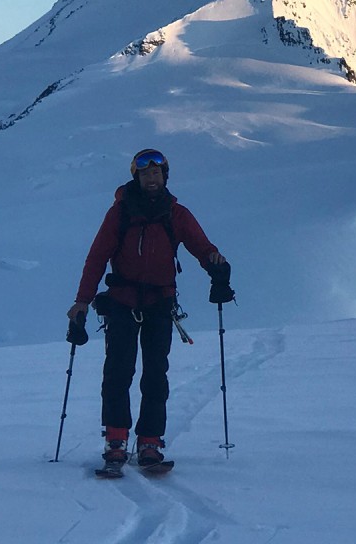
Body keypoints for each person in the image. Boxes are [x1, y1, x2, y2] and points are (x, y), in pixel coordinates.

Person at [67, 148, 234, 471]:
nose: (151, 177)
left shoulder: (176, 214)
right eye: (145, 173)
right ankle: (117, 440)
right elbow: (97, 258)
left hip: (159, 304)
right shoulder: (119, 213)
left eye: (156, 173)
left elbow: (202, 247)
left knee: (155, 374)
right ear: (137, 177)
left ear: (164, 176)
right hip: (122, 302)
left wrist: (216, 266)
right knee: (119, 371)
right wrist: (82, 301)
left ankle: (149, 442)